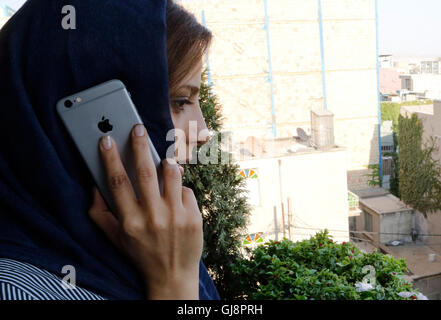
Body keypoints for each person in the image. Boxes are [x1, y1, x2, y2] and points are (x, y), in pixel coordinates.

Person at [0, 0, 219, 300]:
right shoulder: (18, 290)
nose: (204, 132)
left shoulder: (150, 243)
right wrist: (173, 286)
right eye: (181, 101)